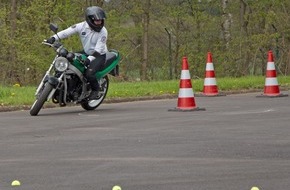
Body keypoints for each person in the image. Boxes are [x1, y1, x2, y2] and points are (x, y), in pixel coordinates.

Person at [46, 6, 108, 100]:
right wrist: (53, 38)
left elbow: (99, 49)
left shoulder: (103, 32)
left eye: (100, 20)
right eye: (96, 21)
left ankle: (95, 90)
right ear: (90, 20)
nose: (99, 22)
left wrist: (89, 59)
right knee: (68, 61)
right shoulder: (81, 26)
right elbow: (66, 32)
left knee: (89, 74)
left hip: (99, 55)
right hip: (86, 52)